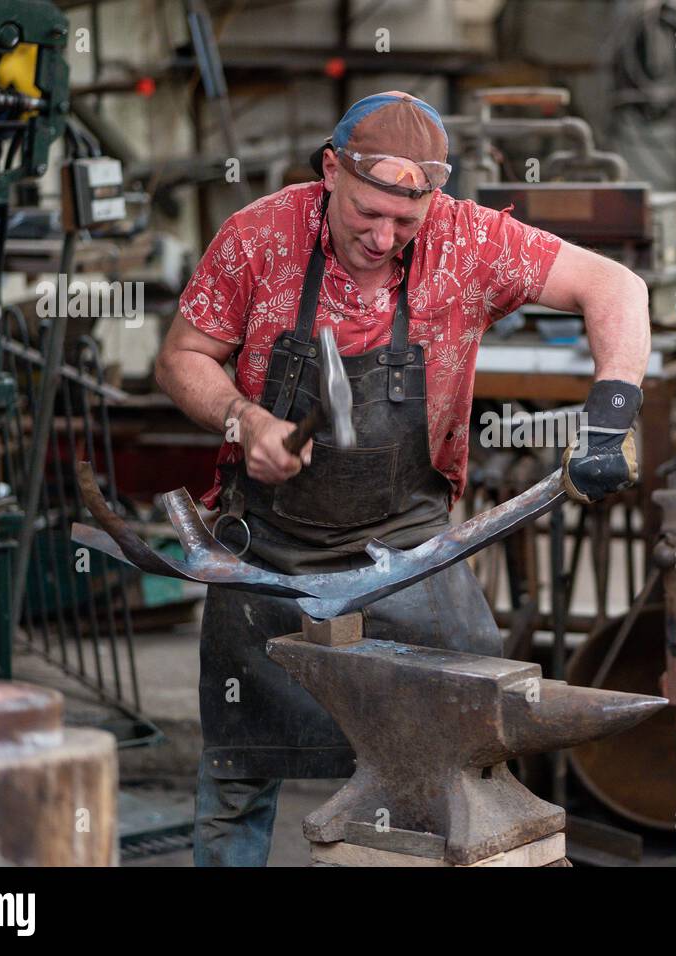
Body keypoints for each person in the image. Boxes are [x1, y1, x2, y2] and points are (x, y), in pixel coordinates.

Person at [155, 91, 651, 866]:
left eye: (404, 222)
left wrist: (611, 414)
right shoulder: (258, 237)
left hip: (411, 552)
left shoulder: (470, 243)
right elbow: (181, 356)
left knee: (475, 745)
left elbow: (616, 287)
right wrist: (242, 421)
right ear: (330, 171)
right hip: (266, 551)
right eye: (366, 216)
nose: (383, 239)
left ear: (435, 201)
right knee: (237, 776)